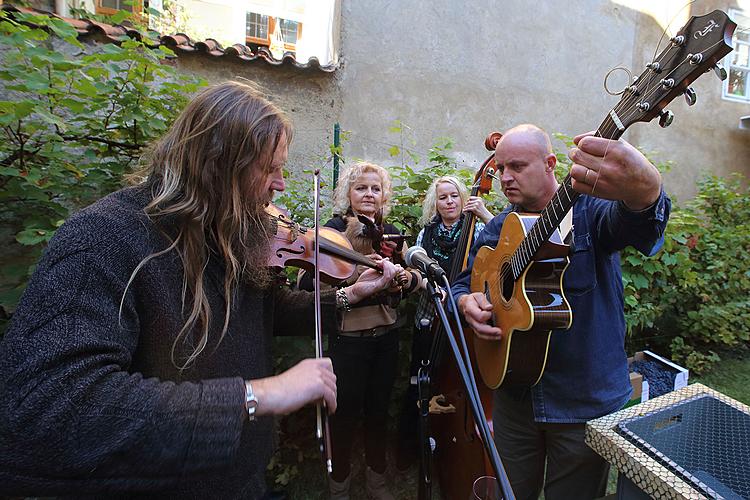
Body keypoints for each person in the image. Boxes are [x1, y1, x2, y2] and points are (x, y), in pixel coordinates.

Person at [0, 81, 400, 499]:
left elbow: (264, 310)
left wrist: (348, 295)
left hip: (240, 480)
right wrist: (258, 395)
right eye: (270, 169)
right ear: (218, 164)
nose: (280, 185)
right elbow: (50, 408)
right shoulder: (102, 239)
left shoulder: (229, 233)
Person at [452, 124, 671, 499]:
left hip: (583, 402)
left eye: (517, 166)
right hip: (513, 399)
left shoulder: (592, 213)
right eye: (500, 168)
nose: (505, 177)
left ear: (551, 163)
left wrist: (647, 193)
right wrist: (464, 302)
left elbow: (639, 226)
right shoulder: (500, 227)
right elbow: (465, 280)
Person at [300, 161, 420, 500]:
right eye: (361, 188)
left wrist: (403, 279)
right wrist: (354, 278)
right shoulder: (333, 230)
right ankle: (339, 486)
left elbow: (415, 280)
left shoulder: (392, 233)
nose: (369, 194)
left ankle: (376, 483)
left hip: (385, 338)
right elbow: (306, 281)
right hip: (347, 340)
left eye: (375, 188)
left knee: (379, 412)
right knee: (342, 414)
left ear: (384, 196)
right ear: (348, 194)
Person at [395, 175, 492, 470]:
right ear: (434, 203)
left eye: (454, 196)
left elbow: (504, 246)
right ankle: (416, 444)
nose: (449, 202)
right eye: (442, 197)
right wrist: (430, 287)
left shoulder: (477, 230)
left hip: (463, 318)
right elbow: (415, 267)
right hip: (430, 312)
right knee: (422, 378)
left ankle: (455, 445)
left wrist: (485, 214)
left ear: (464, 199)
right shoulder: (427, 234)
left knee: (459, 380)